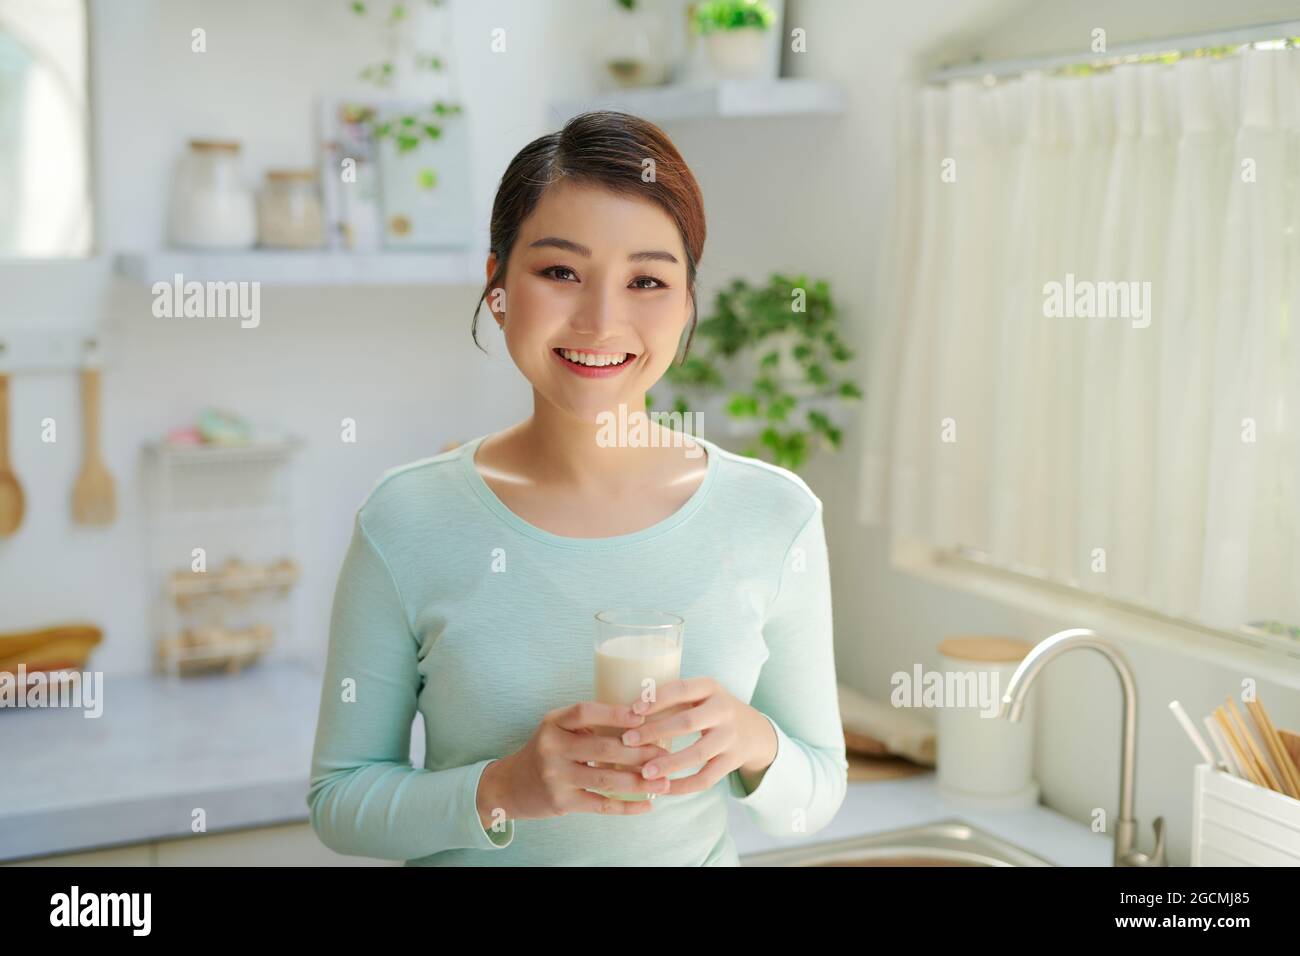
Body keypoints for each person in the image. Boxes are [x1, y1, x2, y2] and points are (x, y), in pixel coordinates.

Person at [307, 110, 847, 866]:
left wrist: (752, 741)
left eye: (647, 280)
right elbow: (341, 800)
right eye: (560, 271)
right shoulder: (406, 519)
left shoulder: (774, 517)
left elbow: (818, 791)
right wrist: (505, 787)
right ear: (497, 286)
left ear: (688, 303)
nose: (601, 319)